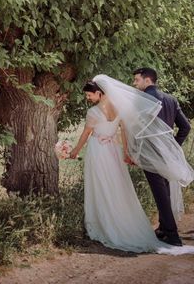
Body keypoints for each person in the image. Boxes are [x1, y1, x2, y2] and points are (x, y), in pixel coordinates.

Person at [69, 76, 194, 254]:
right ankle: (127, 223)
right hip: (114, 152)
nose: (88, 98)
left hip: (98, 152)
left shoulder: (93, 113)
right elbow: (125, 132)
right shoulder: (119, 109)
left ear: (99, 92)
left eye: (89, 95)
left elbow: (85, 134)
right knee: (119, 187)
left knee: (100, 186)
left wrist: (75, 151)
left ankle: (105, 225)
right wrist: (127, 153)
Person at [132, 67, 191, 246]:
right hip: (167, 155)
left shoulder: (142, 100)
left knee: (161, 194)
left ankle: (172, 235)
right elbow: (186, 127)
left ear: (147, 80)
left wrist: (135, 152)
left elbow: (136, 128)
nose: (134, 84)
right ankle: (164, 229)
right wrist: (172, 146)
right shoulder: (171, 99)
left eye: (137, 80)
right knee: (164, 191)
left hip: (150, 154)